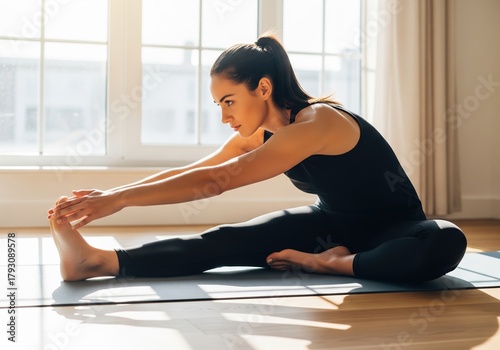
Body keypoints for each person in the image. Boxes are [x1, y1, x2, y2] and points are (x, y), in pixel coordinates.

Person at [47, 34, 467, 283]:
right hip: (329, 224)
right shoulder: (261, 134)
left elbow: (223, 180)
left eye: (229, 101)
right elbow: (198, 171)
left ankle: (334, 264)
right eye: (217, 105)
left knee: (446, 241)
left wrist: (117, 202)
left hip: (395, 231)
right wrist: (114, 193)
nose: (224, 116)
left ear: (263, 88)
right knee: (224, 240)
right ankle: (96, 261)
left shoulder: (317, 122)